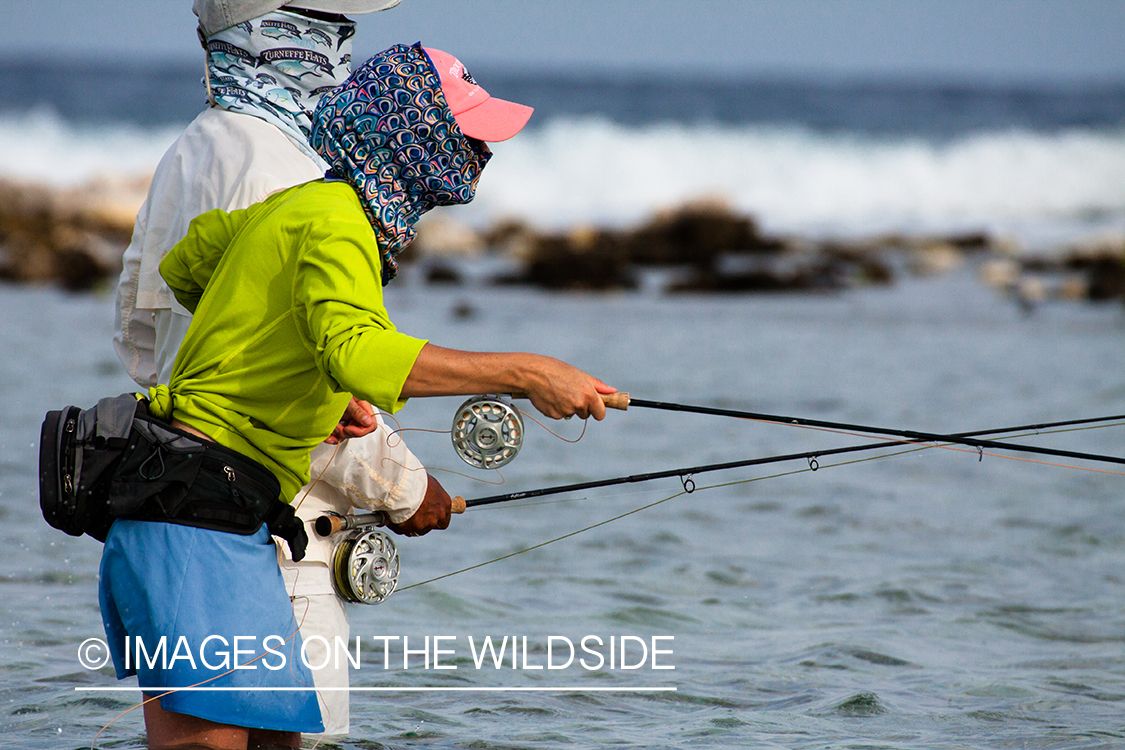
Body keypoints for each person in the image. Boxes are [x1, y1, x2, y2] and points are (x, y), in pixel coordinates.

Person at [103, 42, 614, 749]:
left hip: (222, 516)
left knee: (281, 742)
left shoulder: (300, 206)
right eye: (465, 135)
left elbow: (187, 262)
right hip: (193, 516)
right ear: (410, 136)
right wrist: (525, 372)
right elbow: (360, 352)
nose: (478, 153)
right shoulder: (339, 223)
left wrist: (304, 376)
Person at [108, 0, 430, 741]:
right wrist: (407, 490)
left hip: (189, 509)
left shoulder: (193, 148)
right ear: (277, 33)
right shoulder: (282, 169)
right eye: (326, 25)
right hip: (272, 539)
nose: (341, 48)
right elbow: (293, 361)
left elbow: (143, 335)